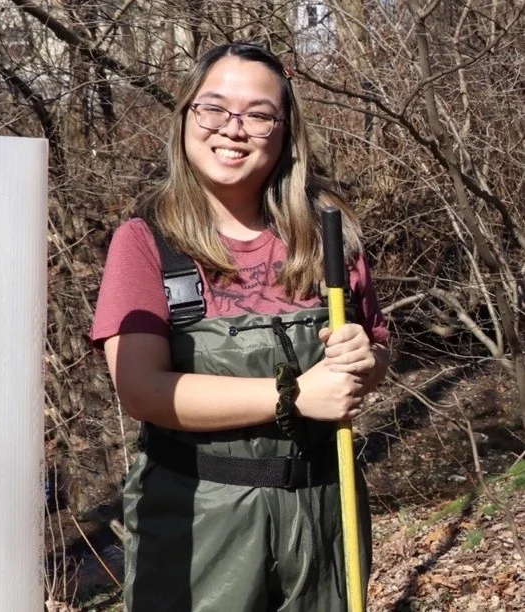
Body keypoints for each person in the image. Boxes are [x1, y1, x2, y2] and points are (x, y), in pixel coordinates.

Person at [91, 42, 390, 612]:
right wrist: (296, 395)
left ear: (284, 131)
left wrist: (362, 361)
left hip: (325, 513)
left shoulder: (329, 234)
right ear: (185, 117)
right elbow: (142, 389)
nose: (234, 128)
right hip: (199, 520)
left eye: (258, 113)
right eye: (214, 108)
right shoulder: (145, 241)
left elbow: (376, 350)